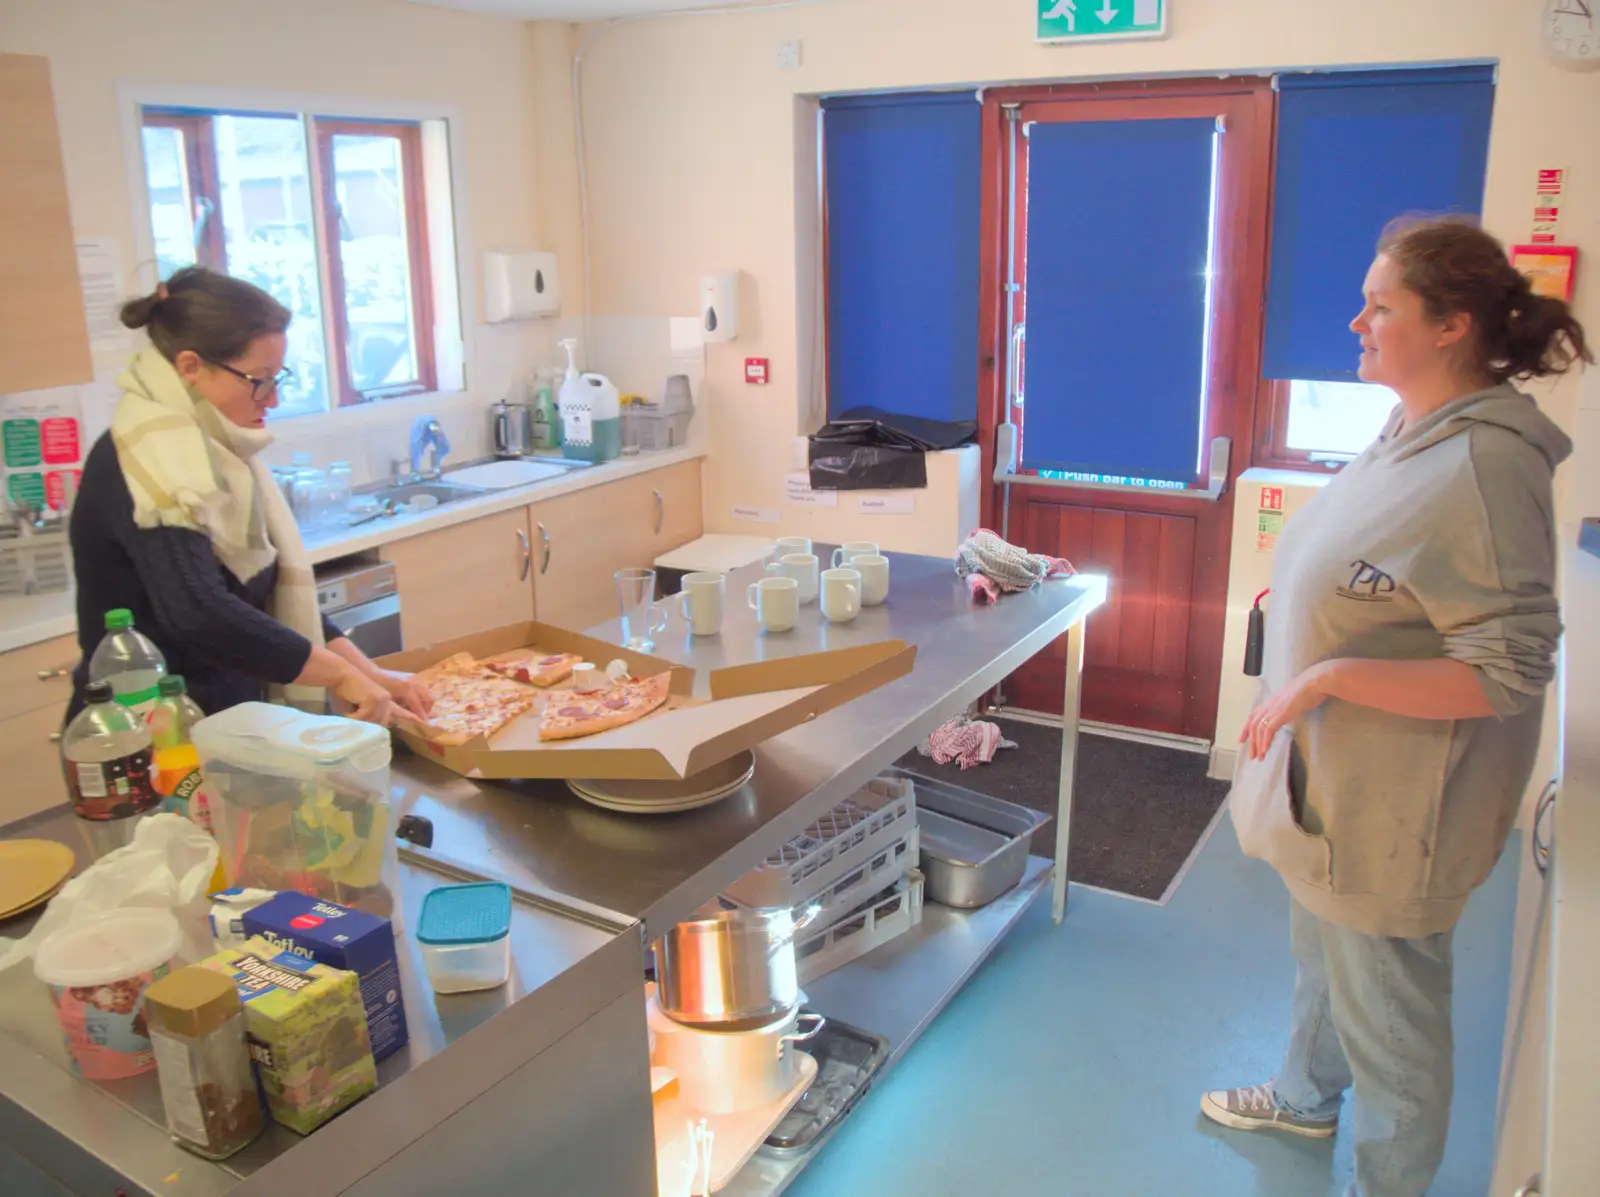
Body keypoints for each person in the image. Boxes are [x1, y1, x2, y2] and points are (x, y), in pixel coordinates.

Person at [1201, 217, 1591, 1197]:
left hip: (1395, 811)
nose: (1355, 320)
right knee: (1323, 968)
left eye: (1381, 306)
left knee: (1394, 1030)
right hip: (1334, 789)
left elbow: (1509, 667)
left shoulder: (1486, 466)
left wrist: (1325, 679)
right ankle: (1302, 1099)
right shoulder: (1408, 429)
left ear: (1452, 324)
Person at [66, 267, 430, 727]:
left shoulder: (215, 451)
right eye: (259, 380)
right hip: (145, 735)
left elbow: (263, 599)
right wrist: (337, 675)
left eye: (279, 378)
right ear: (191, 367)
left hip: (223, 718)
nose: (272, 399)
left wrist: (372, 673)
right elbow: (198, 612)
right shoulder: (149, 459)